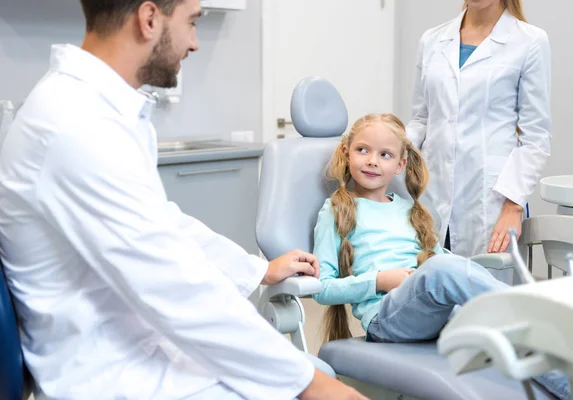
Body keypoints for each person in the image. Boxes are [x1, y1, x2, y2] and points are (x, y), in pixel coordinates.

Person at [0, 1, 368, 399]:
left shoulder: (92, 109)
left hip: (138, 346)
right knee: (309, 378)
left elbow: (162, 225)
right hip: (113, 374)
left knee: (299, 370)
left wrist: (254, 270)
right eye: (192, 22)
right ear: (149, 18)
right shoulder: (74, 126)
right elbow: (175, 288)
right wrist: (314, 386)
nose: (194, 42)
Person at [311, 113, 573, 400]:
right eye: (362, 150)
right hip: (386, 318)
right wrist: (381, 280)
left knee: (504, 327)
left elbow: (441, 260)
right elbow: (323, 287)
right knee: (446, 270)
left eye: (385, 154)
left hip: (428, 309)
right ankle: (535, 309)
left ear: (400, 164)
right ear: (347, 152)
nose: (372, 160)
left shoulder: (407, 209)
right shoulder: (335, 210)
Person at [405, 0, 551, 256]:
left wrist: (513, 205)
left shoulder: (530, 41)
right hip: (432, 191)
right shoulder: (432, 40)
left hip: (490, 200)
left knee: (487, 292)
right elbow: (421, 120)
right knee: (431, 287)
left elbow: (536, 138)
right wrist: (387, 148)